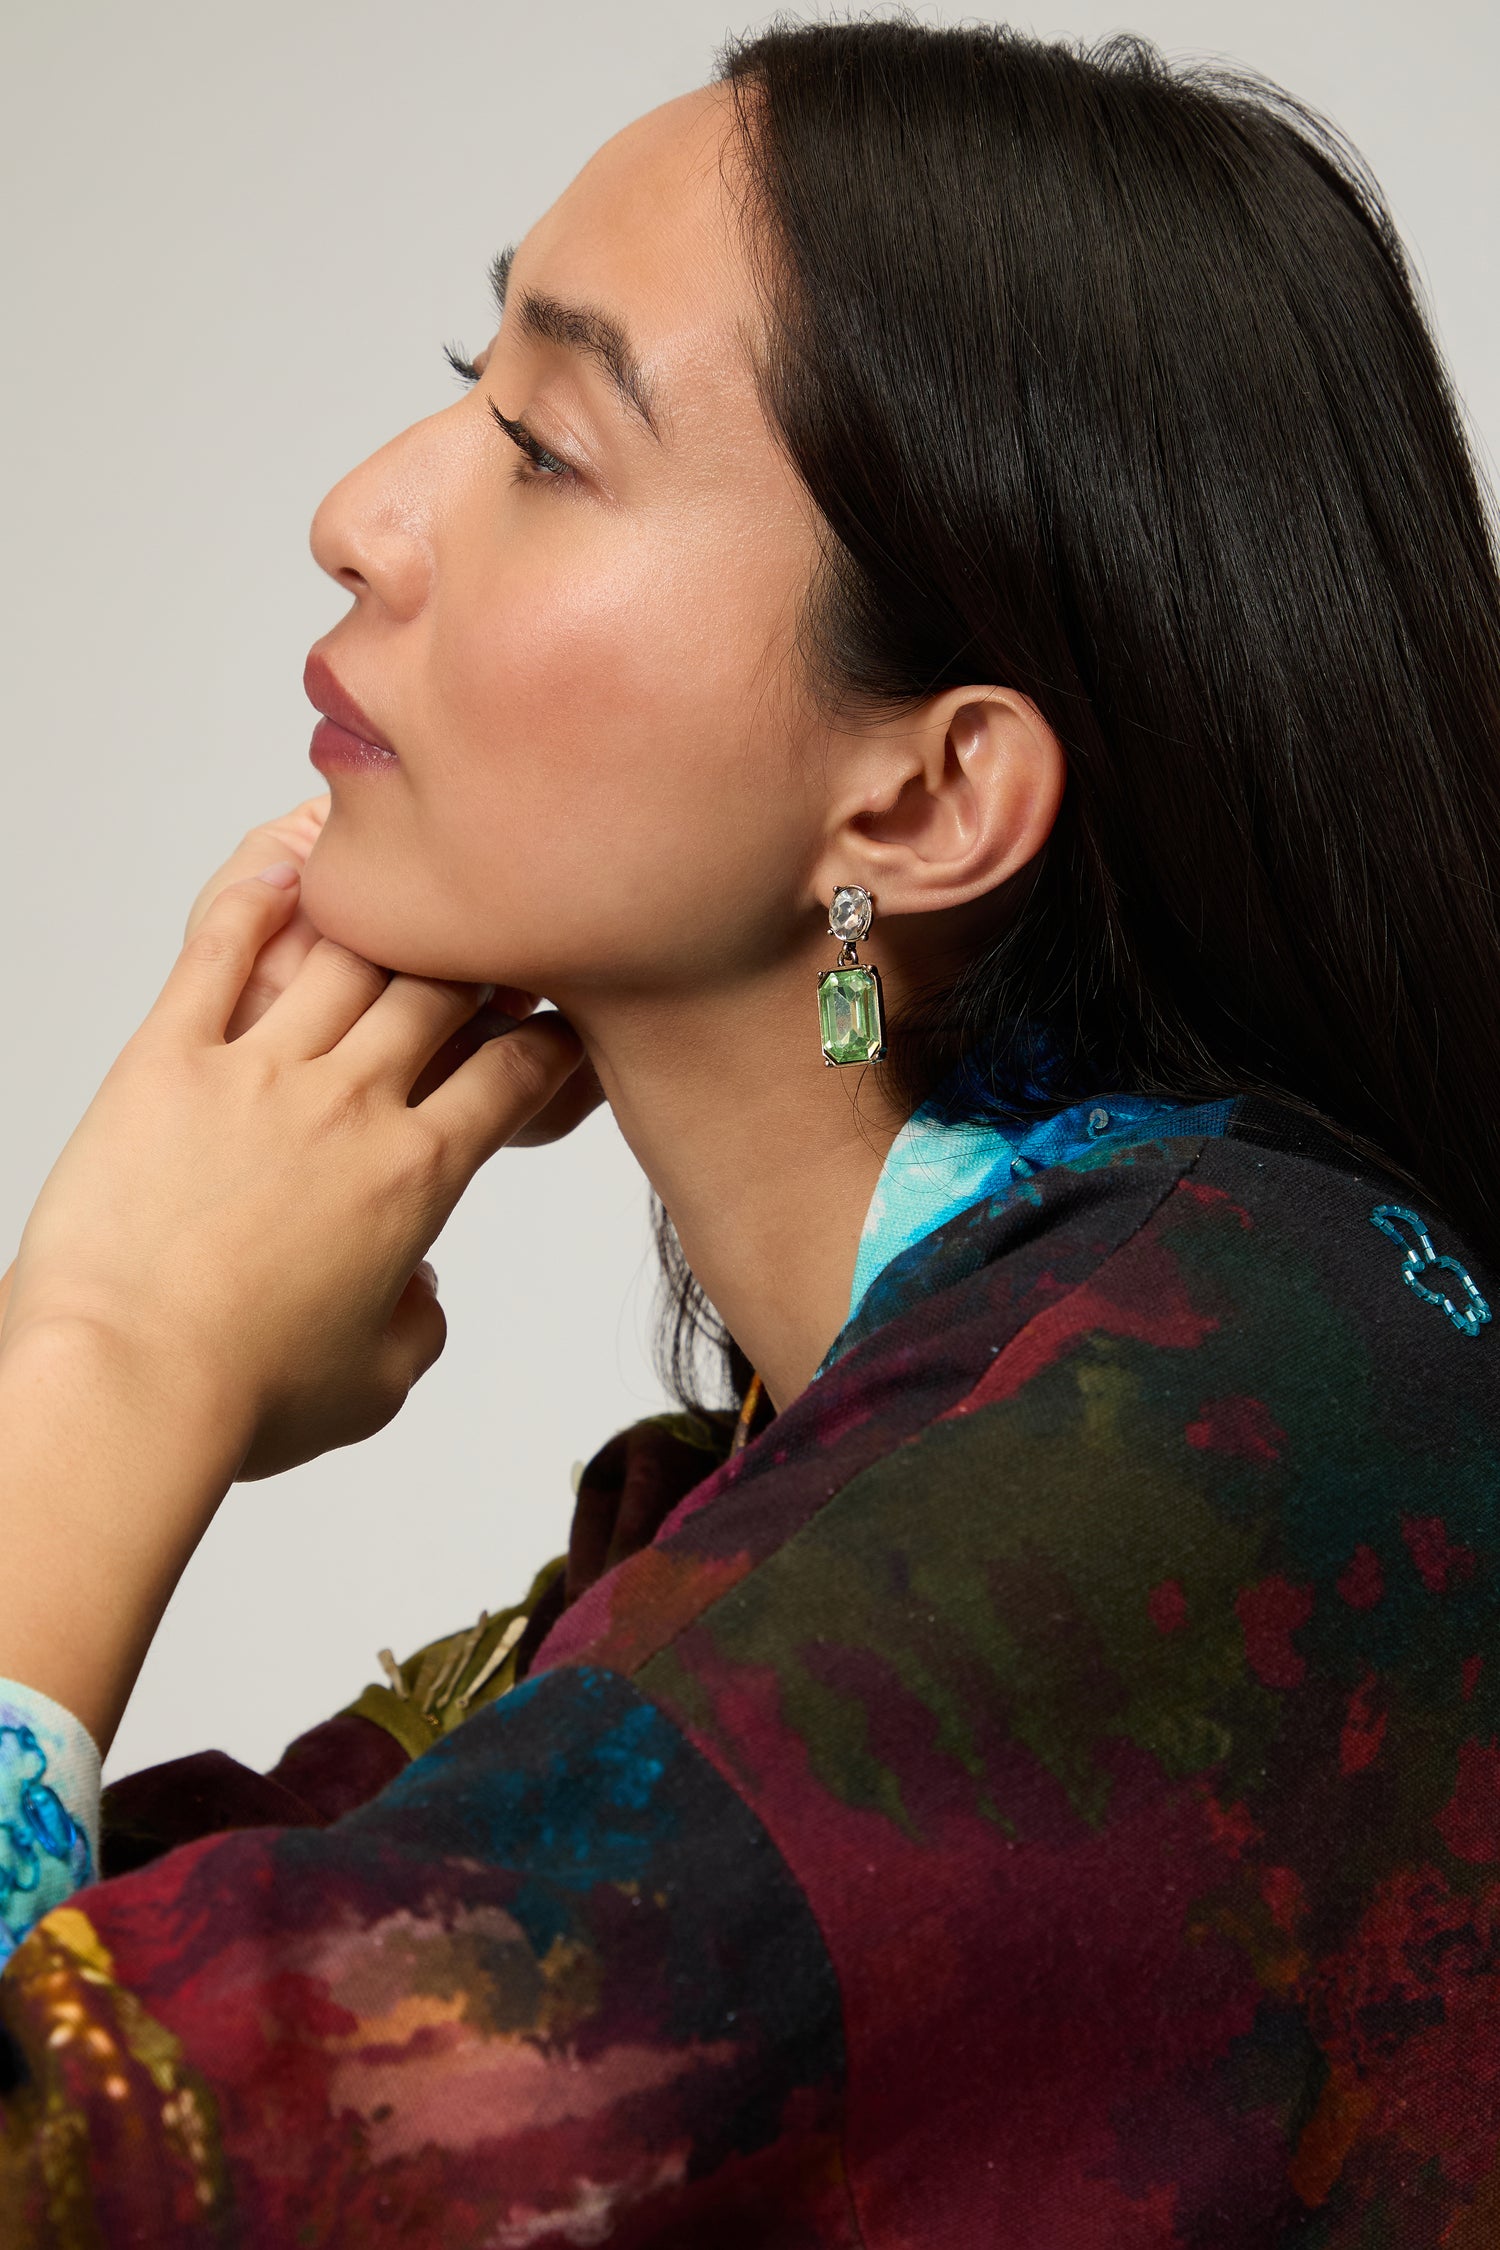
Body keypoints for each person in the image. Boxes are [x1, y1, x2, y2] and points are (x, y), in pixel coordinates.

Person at [2, 14, 1499, 2243]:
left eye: (544, 442)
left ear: (924, 794)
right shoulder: (782, 1538)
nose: (360, 519)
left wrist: (113, 1358)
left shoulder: (1238, 1429)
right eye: (470, 381)